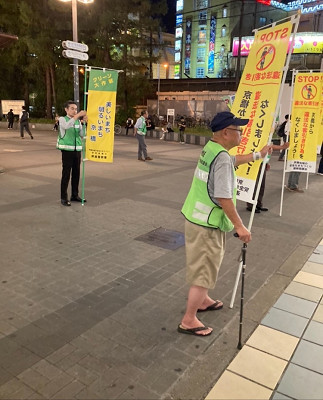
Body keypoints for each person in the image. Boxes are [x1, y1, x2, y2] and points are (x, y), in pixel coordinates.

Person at [178, 111, 272, 337]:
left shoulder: (212, 149)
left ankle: (203, 301)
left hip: (199, 219)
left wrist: (258, 155)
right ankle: (189, 320)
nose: (241, 134)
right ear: (226, 132)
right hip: (206, 225)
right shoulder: (220, 157)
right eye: (238, 130)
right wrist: (240, 226)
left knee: (208, 267)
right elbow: (223, 196)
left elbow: (232, 161)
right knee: (204, 273)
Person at [56, 100, 87, 206]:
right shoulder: (62, 119)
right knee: (66, 174)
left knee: (76, 174)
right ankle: (63, 198)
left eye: (76, 109)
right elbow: (66, 126)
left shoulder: (78, 121)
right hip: (67, 151)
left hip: (77, 150)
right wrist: (77, 116)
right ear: (66, 109)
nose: (75, 111)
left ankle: (74, 195)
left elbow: (82, 134)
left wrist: (84, 123)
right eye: (72, 108)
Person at [247, 142, 290, 213]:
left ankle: (258, 204)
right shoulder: (262, 134)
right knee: (255, 185)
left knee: (261, 185)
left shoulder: (268, 135)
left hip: (263, 162)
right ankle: (251, 204)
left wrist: (267, 162)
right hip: (256, 163)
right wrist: (281, 147)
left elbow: (270, 147)